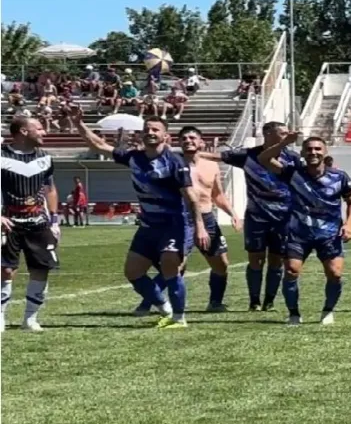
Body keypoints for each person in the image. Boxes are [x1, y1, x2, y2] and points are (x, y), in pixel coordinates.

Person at [73, 111, 208, 329]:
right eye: (147, 129)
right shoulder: (134, 157)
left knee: (170, 267)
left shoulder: (175, 162)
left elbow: (191, 198)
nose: (150, 132)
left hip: (173, 224)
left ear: (166, 135)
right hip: (147, 226)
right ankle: (164, 307)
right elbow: (99, 145)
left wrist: (200, 227)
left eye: (156, 129)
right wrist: (78, 123)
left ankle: (179, 318)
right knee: (133, 272)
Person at [135, 127, 242, 314]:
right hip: (182, 218)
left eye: (192, 137)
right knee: (177, 265)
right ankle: (148, 302)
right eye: (183, 138)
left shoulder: (211, 166)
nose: (188, 140)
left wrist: (233, 214)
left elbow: (218, 195)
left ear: (201, 142)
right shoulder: (172, 164)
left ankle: (215, 302)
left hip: (207, 219)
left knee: (221, 264)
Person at [258, 133, 351, 326]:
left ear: (325, 152)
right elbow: (263, 159)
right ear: (302, 152)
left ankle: (328, 311)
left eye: (318, 149)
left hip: (329, 234)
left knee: (335, 274)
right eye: (309, 149)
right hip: (298, 234)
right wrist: (284, 143)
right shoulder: (293, 172)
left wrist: (349, 224)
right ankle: (294, 313)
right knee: (292, 271)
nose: (313, 152)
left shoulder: (340, 177)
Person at [199, 122, 293, 311]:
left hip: (283, 218)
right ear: (267, 133)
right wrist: (190, 154)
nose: (287, 136)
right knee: (256, 259)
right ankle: (254, 301)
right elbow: (217, 156)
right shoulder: (247, 155)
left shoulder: (292, 158)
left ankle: (269, 301)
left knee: (276, 259)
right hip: (256, 217)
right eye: (282, 133)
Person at [0, 117, 61, 332]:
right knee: (6, 269)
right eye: (40, 128)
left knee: (41, 268)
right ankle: (1, 317)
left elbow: (50, 189)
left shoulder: (45, 158)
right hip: (9, 223)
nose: (44, 132)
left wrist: (54, 220)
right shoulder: (2, 155)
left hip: (39, 222)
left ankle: (30, 319)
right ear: (24, 131)